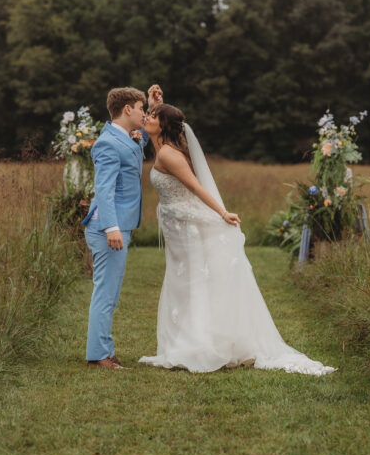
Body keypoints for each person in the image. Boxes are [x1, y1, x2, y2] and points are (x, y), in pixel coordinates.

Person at [138, 103, 335, 375]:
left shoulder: (170, 156)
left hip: (189, 227)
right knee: (185, 281)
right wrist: (154, 101)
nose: (146, 118)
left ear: (162, 125)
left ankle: (200, 344)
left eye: (151, 116)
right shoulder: (163, 149)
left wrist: (222, 212)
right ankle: (193, 341)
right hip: (178, 228)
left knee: (193, 282)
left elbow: (196, 187)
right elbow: (157, 134)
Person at [81, 84, 162, 370]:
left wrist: (152, 105)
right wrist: (111, 227)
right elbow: (103, 189)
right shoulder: (107, 143)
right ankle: (99, 356)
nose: (144, 114)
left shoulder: (126, 138)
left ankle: (103, 350)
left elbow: (137, 148)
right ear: (127, 109)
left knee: (109, 293)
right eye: (141, 109)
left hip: (117, 226)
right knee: (106, 293)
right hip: (109, 228)